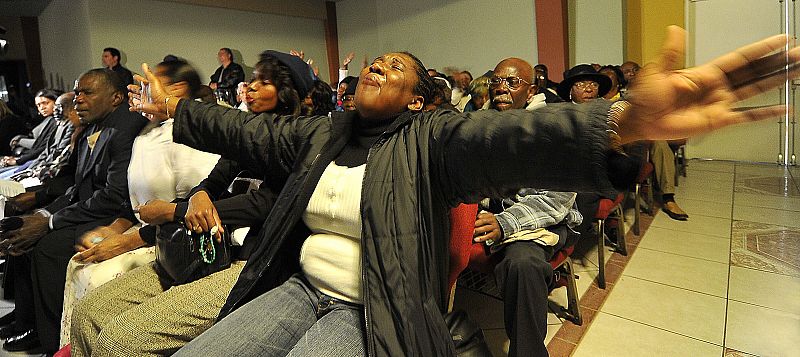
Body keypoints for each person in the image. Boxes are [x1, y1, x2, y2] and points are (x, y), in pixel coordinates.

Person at [129, 28, 796, 356]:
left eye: (394, 69)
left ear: (418, 100)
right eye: (372, 63)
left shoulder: (432, 142)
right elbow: (243, 130)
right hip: (300, 286)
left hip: (371, 308)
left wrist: (621, 123)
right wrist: (177, 110)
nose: (376, 67)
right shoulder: (320, 136)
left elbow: (515, 139)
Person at [69, 51, 312, 357]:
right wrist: (198, 195)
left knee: (120, 340)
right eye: (252, 79)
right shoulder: (246, 135)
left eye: (264, 82)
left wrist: (175, 210)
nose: (250, 87)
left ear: (288, 93)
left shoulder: (302, 138)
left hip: (251, 262)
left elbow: (266, 203)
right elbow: (212, 181)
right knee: (89, 313)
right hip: (204, 247)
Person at [57, 59, 220, 350]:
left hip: (177, 239)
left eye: (150, 85)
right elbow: (133, 199)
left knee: (99, 280)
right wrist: (115, 228)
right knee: (79, 268)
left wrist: (125, 241)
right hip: (146, 229)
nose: (140, 91)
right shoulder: (148, 131)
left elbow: (193, 205)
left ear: (177, 89)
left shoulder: (193, 132)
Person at [0, 69, 148, 354]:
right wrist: (43, 215)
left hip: (114, 214)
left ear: (116, 97)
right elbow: (78, 185)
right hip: (90, 206)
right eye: (77, 92)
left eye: (87, 93)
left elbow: (113, 196)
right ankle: (27, 320)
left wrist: (50, 222)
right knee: (21, 231)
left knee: (47, 248)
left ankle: (54, 341)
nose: (78, 99)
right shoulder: (93, 126)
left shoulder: (124, 128)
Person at [479, 57, 583, 357]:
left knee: (522, 263)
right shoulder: (482, 126)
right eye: (496, 81)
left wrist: (504, 223)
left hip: (547, 220)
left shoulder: (553, 131)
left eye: (512, 83)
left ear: (531, 89)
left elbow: (555, 200)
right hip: (493, 215)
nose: (501, 89)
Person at [1, 89, 62, 176]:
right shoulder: (50, 120)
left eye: (45, 103)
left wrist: (18, 160)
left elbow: (43, 149)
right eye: (38, 105)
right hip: (34, 160)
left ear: (56, 101)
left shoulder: (57, 121)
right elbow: (38, 147)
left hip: (41, 164)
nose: (42, 107)